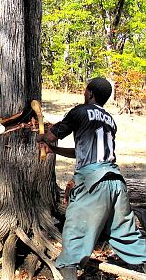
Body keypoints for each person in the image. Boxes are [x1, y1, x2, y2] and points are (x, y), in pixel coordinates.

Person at [39, 77, 146, 279]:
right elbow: (84, 150)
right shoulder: (110, 120)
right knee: (127, 235)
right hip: (116, 182)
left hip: (93, 183)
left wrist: (42, 136)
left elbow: (50, 136)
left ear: (89, 93)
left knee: (74, 238)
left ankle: (68, 271)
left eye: (85, 91)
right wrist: (55, 151)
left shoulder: (79, 111)